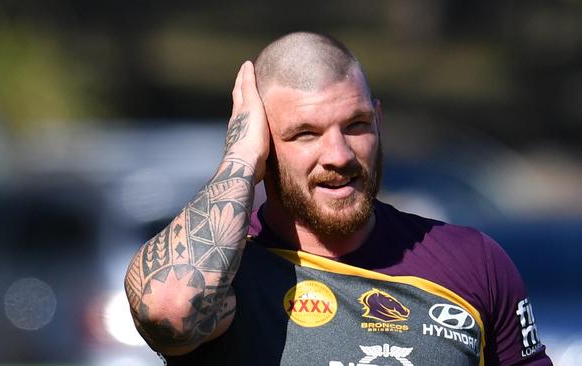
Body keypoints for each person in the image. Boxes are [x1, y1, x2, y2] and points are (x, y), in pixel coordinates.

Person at [124, 32, 552, 365]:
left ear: (379, 122)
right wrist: (239, 157)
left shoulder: (473, 263)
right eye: (305, 133)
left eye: (356, 125)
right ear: (265, 143)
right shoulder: (232, 274)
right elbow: (170, 312)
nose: (339, 155)